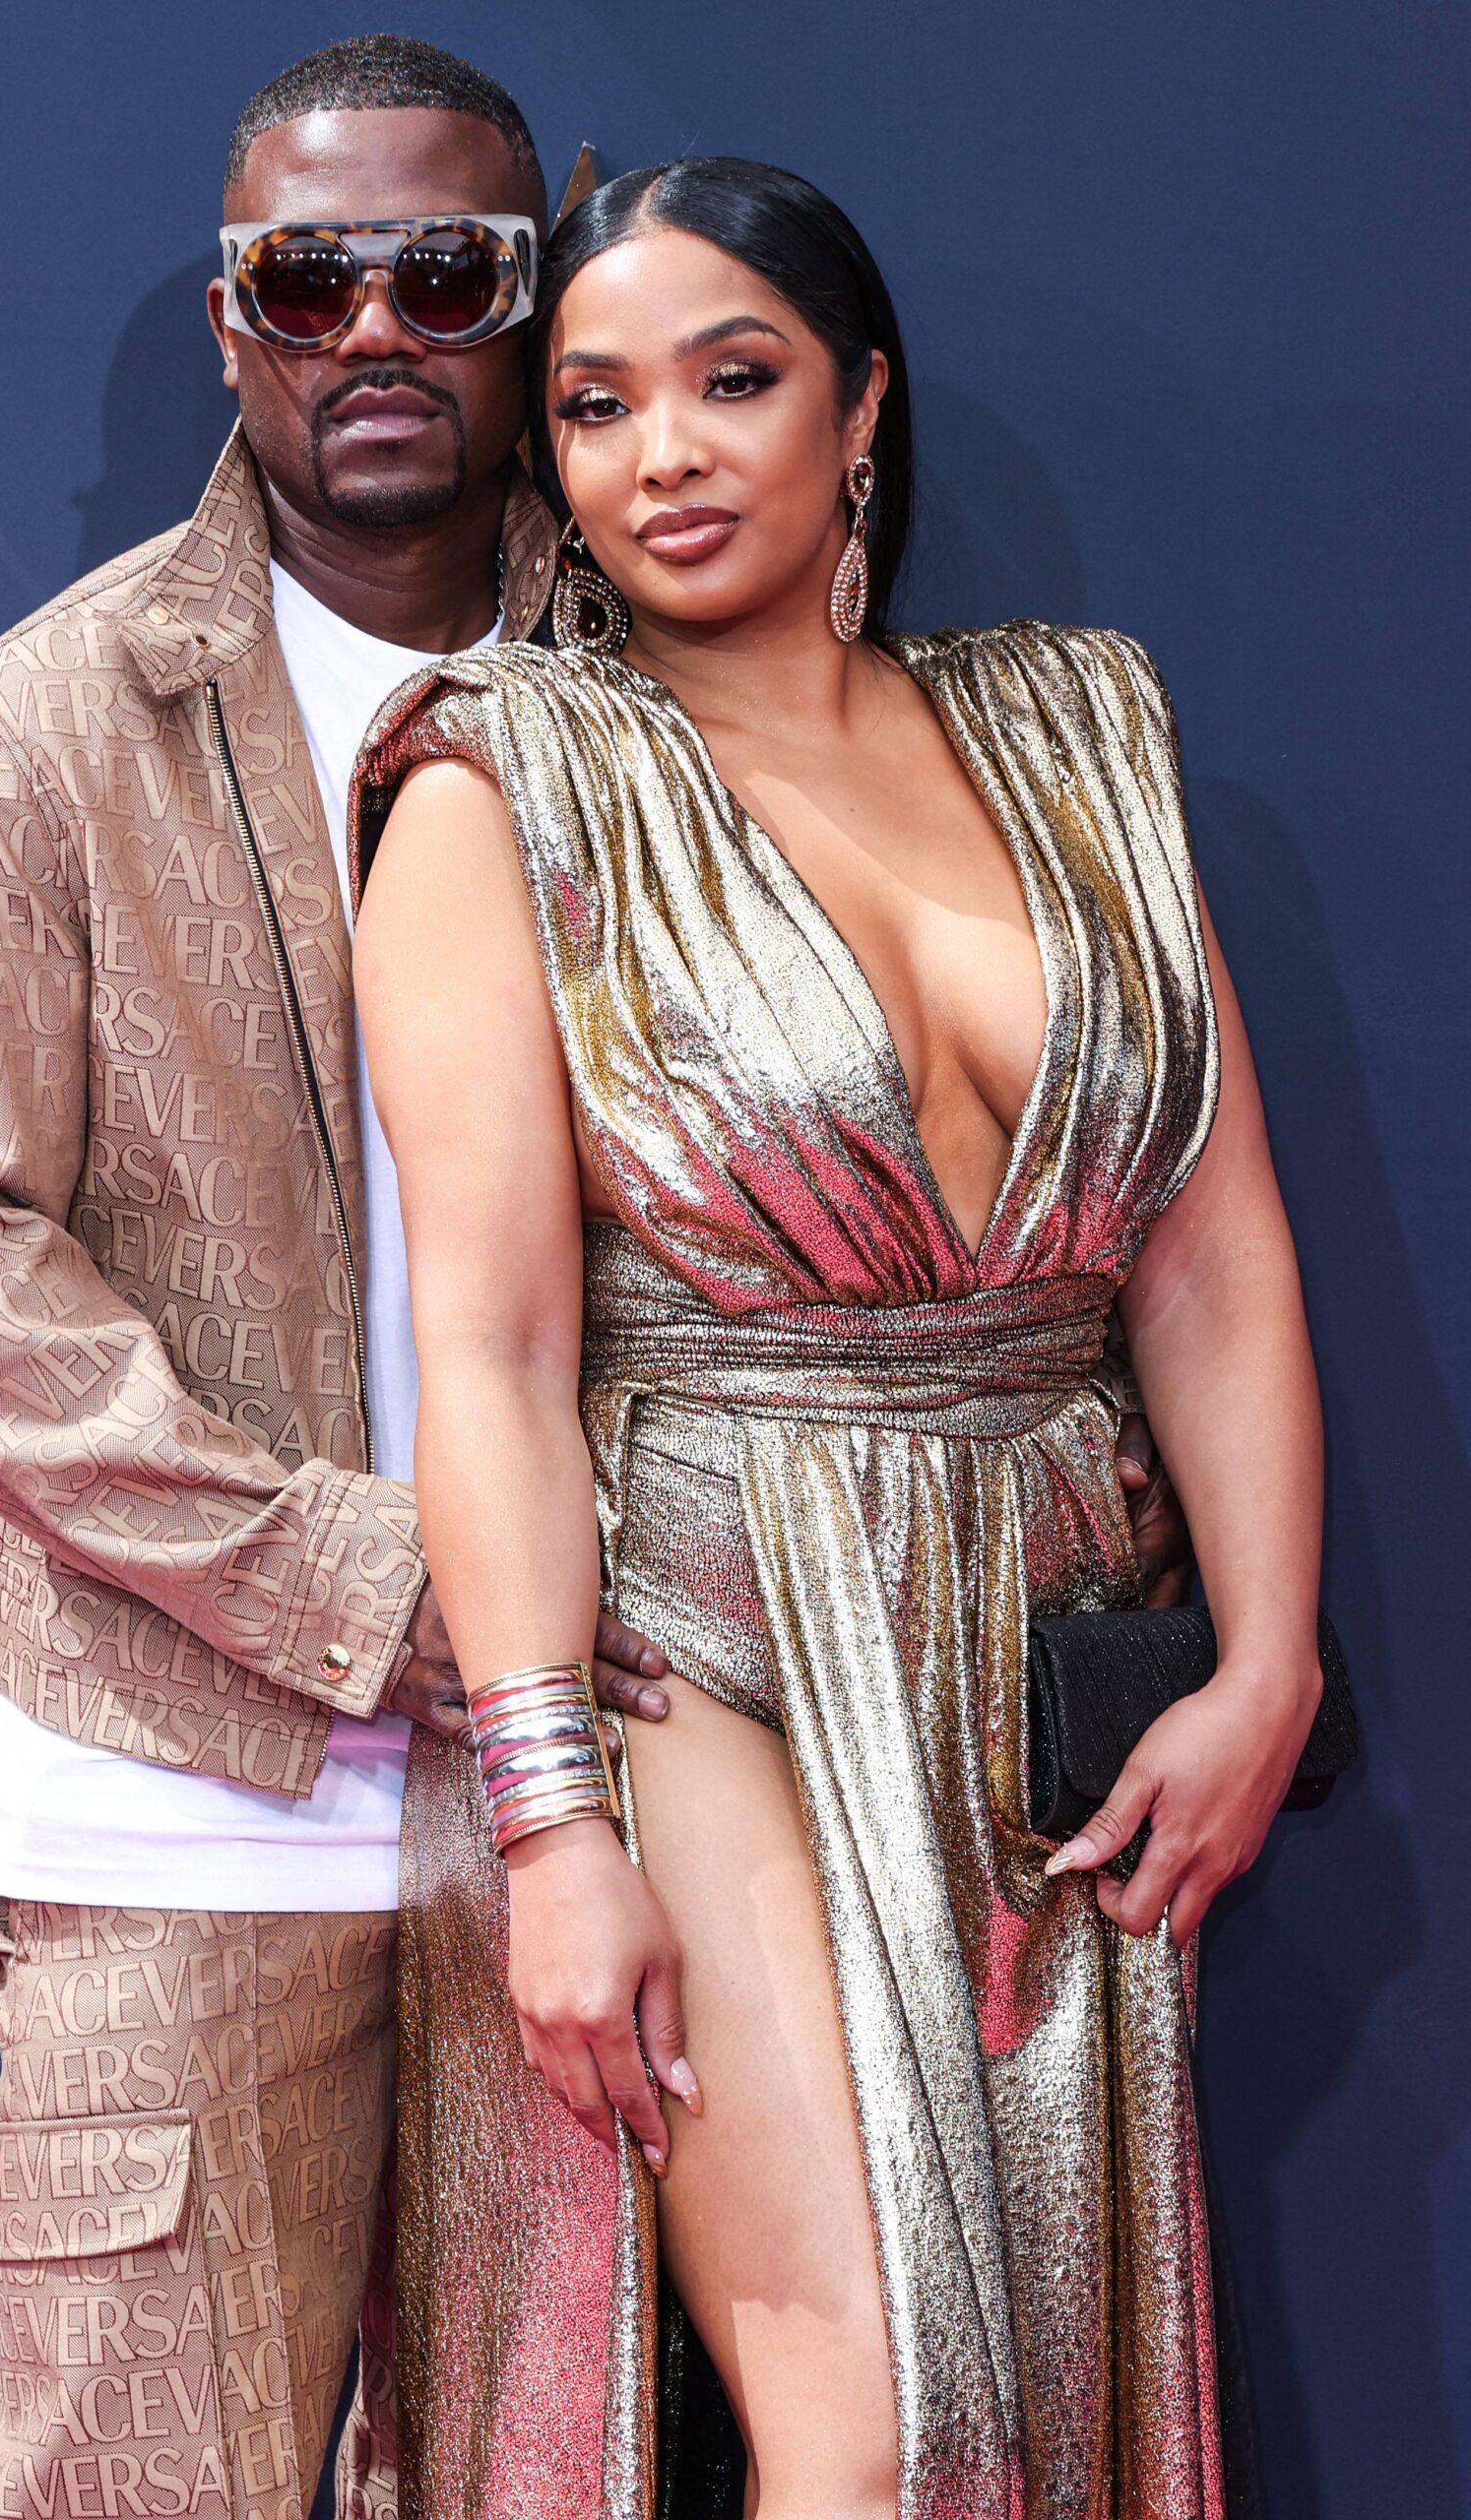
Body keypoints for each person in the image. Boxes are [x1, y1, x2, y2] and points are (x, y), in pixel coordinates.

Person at [349, 159, 1323, 2518]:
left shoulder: (1080, 737)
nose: (661, 450)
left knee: (1047, 2412)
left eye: (732, 378)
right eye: (594, 406)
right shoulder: (502, 780)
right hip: (712, 1636)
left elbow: (1202, 1252)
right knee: (880, 2431)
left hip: (1044, 1648)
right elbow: (481, 1348)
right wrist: (551, 1812)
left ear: (861, 408)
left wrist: (1270, 1658)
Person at [0, 39, 685, 2520]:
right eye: (313, 274)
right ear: (234, 324)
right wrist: (359, 1575)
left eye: (456, 271)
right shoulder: (36, 731)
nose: (380, 325)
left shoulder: (690, 701)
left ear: (536, 300)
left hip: (642, 1785)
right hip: (201, 1813)